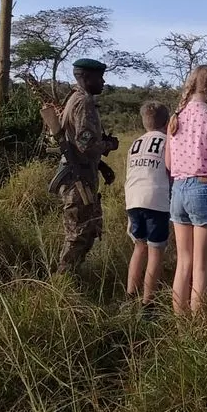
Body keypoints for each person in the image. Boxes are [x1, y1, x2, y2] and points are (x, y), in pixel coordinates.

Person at [164, 64, 207, 315]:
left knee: (184, 263)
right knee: (202, 267)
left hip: (178, 191)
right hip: (203, 189)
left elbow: (169, 165)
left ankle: (181, 326)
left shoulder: (175, 120)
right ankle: (200, 328)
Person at [54, 57, 119, 275]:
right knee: (78, 234)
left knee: (87, 230)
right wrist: (109, 144)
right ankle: (63, 282)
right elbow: (85, 143)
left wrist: (100, 165)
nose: (103, 81)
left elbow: (77, 144)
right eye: (99, 77)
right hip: (77, 179)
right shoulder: (84, 102)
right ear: (86, 77)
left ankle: (71, 278)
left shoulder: (73, 98)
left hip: (81, 174)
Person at [123, 101, 172, 318]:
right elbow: (171, 173)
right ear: (167, 122)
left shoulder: (135, 143)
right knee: (155, 253)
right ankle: (148, 304)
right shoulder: (168, 142)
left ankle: (130, 295)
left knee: (139, 248)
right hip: (156, 201)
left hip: (133, 200)